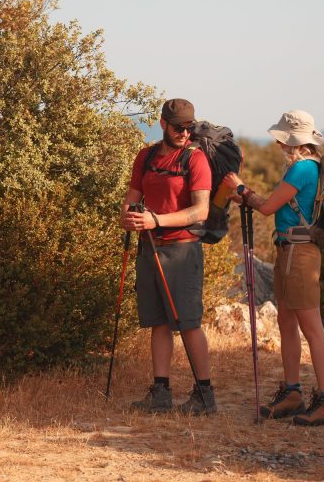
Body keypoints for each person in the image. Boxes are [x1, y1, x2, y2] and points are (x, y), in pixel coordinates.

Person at [222, 109, 324, 426]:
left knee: (311, 328)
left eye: (282, 140)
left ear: (293, 142)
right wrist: (245, 195)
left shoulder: (301, 169)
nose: (278, 145)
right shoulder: (308, 167)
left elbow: (267, 207)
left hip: (299, 255)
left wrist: (243, 189)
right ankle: (292, 393)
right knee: (287, 321)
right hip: (291, 252)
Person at [120, 98, 217, 415]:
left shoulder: (195, 159)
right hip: (150, 247)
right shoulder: (146, 156)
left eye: (189, 128)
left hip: (182, 249)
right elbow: (133, 196)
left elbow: (200, 211)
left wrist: (157, 220)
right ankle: (160, 392)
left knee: (188, 322)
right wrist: (129, 217)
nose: (184, 133)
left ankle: (205, 396)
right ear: (163, 124)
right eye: (178, 128)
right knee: (158, 321)